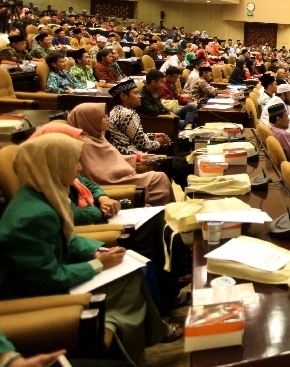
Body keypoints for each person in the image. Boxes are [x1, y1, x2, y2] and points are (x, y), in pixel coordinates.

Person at [0, 135, 181, 366]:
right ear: (56, 164)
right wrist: (97, 265)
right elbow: (45, 280)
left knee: (131, 272)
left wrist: (97, 251)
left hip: (50, 275)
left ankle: (149, 334)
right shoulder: (35, 215)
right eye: (74, 161)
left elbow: (69, 239)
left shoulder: (46, 194)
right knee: (128, 283)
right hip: (30, 296)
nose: (80, 167)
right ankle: (139, 347)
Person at [106, 79, 173, 156]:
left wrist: (153, 135)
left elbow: (135, 137)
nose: (140, 96)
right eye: (136, 93)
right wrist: (159, 143)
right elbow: (142, 144)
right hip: (130, 155)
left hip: (122, 153)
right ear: (124, 96)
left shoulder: (115, 110)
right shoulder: (127, 114)